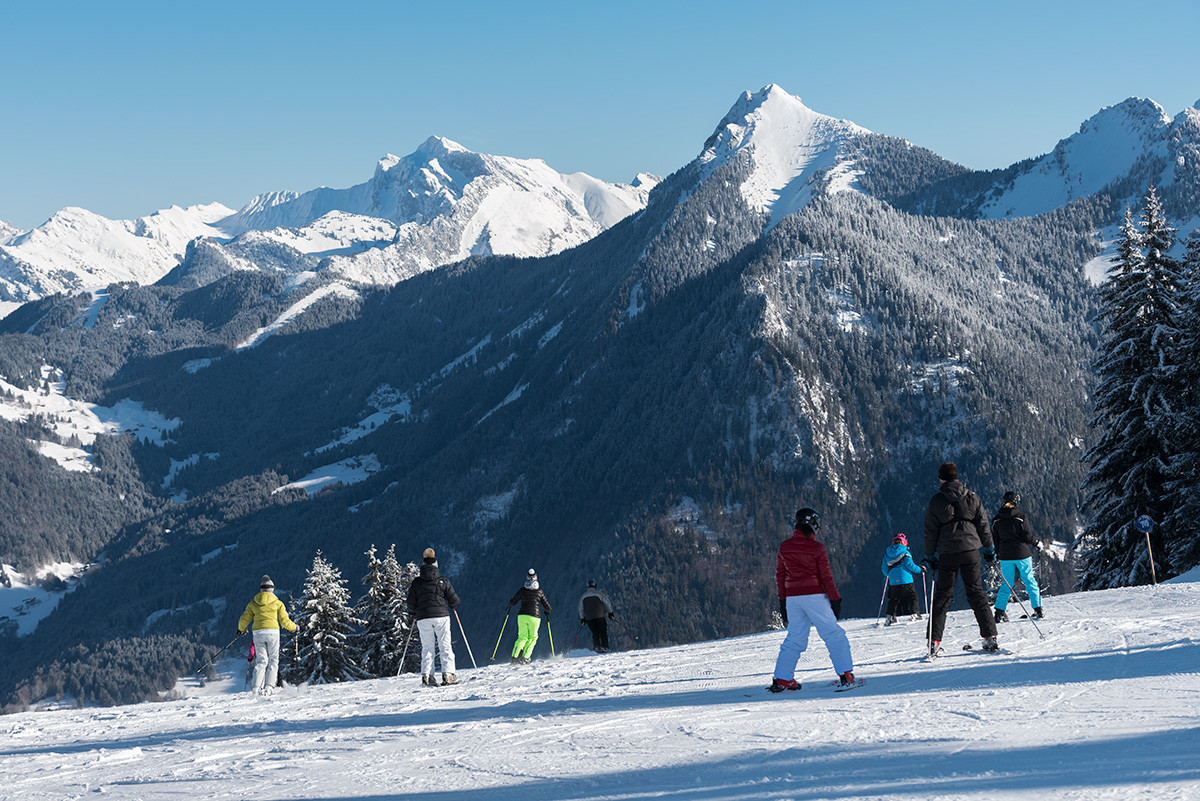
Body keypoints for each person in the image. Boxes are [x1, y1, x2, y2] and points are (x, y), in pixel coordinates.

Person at [770, 507, 855, 692]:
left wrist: (782, 602)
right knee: (834, 634)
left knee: (795, 638)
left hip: (793, 599)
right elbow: (826, 578)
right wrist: (836, 600)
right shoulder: (817, 548)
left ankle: (783, 678)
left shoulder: (784, 547)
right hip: (814, 596)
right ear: (813, 525)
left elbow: (780, 576)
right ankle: (846, 674)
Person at [923, 462, 999, 655]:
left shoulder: (937, 501)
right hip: (971, 550)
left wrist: (930, 555)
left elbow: (930, 531)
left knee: (942, 596)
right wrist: (989, 549)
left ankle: (934, 641)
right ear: (957, 477)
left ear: (941, 478)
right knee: (976, 592)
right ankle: (990, 637)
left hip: (948, 552)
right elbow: (983, 524)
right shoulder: (972, 497)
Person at [406, 548, 461, 686]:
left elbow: (410, 603)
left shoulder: (416, 583)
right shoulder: (443, 581)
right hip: (441, 616)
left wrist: (413, 612)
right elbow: (454, 600)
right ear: (435, 563)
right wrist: (453, 604)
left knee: (427, 647)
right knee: (445, 645)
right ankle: (448, 675)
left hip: (423, 618)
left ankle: (427, 676)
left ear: (423, 564)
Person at [237, 575, 298, 695]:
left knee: (261, 661)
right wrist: (295, 627)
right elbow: (285, 622)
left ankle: (256, 687)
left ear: (261, 589)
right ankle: (269, 687)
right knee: (273, 660)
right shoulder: (278, 603)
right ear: (272, 590)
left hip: (258, 633)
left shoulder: (253, 603)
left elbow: (244, 618)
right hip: (273, 633)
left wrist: (241, 629)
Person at [991, 491, 1044, 621]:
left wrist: (997, 554)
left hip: (1005, 555)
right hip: (1022, 553)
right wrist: (1037, 543)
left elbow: (995, 539)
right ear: (1016, 502)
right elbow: (1027, 536)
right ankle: (1038, 609)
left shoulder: (996, 519)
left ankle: (999, 612)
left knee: (1007, 584)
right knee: (1029, 580)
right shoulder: (1020, 516)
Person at [509, 568, 551, 664]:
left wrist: (511, 604)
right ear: (536, 578)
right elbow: (547, 606)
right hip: (534, 617)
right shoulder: (539, 591)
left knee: (522, 637)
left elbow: (513, 602)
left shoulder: (522, 590)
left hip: (522, 616)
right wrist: (547, 612)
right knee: (532, 637)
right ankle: (525, 657)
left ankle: (514, 657)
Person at [881, 533, 923, 624]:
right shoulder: (905, 552)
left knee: (894, 598)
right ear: (904, 542)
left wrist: (890, 574)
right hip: (906, 579)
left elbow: (884, 570)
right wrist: (921, 570)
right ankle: (915, 614)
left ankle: (890, 617)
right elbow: (910, 566)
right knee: (912, 596)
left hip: (893, 581)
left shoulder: (887, 554)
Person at [577, 579, 615, 652]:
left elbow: (580, 608)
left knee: (595, 632)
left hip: (589, 618)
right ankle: (605, 647)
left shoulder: (583, 596)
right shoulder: (599, 594)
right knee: (603, 631)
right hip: (600, 616)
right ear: (595, 586)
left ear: (587, 587)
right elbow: (607, 603)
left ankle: (597, 647)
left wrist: (582, 618)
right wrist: (611, 612)